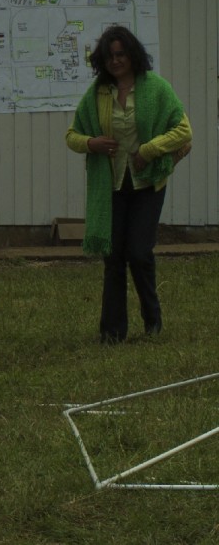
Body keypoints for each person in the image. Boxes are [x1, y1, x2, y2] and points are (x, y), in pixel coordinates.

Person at [66, 26, 194, 344]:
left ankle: (152, 320)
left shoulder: (156, 88)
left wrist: (149, 151)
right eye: (109, 56)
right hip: (110, 186)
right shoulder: (97, 93)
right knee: (114, 257)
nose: (115, 61)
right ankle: (112, 332)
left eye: (121, 54)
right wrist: (91, 142)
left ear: (132, 54)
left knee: (139, 253)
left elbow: (183, 131)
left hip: (148, 184)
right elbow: (72, 136)